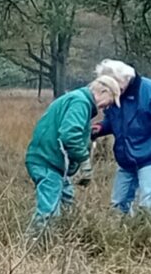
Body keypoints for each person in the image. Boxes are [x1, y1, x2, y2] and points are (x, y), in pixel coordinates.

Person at [25, 75, 121, 234]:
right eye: (109, 101)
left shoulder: (77, 99)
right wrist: (84, 162)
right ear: (103, 91)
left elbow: (68, 130)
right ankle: (34, 245)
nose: (106, 107)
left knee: (66, 201)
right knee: (49, 212)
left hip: (51, 162)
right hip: (48, 162)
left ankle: (62, 239)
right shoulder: (81, 102)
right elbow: (69, 135)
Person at [94, 59, 151, 220]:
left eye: (110, 83)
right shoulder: (115, 95)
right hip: (126, 158)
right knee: (117, 204)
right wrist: (101, 128)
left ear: (123, 79)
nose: (107, 88)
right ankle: (124, 238)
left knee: (149, 204)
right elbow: (113, 121)